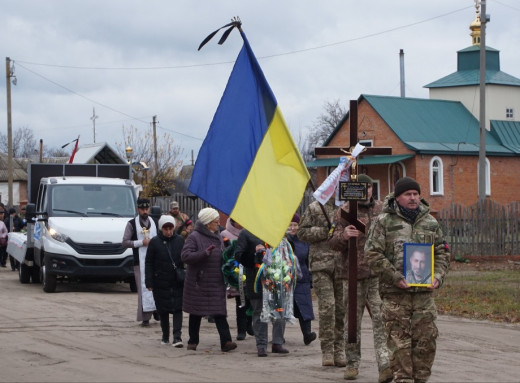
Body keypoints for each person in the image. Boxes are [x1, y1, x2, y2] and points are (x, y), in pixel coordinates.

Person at [365, 176, 450, 383]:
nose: (413, 198)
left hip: (423, 297)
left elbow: (442, 252)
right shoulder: (384, 222)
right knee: (399, 348)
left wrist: (438, 277)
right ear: (398, 197)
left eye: (415, 194)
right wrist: (395, 277)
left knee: (426, 344)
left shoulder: (430, 222)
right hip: (396, 296)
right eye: (407, 194)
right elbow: (372, 253)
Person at [328, 174, 392, 382]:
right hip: (352, 275)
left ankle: (384, 364)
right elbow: (332, 242)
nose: (367, 192)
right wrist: (343, 236)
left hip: (376, 275)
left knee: (381, 319)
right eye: (362, 188)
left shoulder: (382, 210)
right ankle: (352, 363)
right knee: (352, 322)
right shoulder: (345, 211)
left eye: (370, 188)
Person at [297, 197, 346, 367]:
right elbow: (302, 232)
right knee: (328, 307)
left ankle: (339, 349)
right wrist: (325, 230)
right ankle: (327, 350)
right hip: (321, 264)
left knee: (341, 310)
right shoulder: (315, 208)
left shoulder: (348, 208)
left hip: (343, 265)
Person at [181, 207, 237, 352]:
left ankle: (226, 342)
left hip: (216, 281)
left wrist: (228, 256)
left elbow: (222, 256)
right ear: (207, 223)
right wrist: (203, 254)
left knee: (219, 312)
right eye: (215, 221)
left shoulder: (219, 236)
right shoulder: (194, 237)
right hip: (198, 282)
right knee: (196, 312)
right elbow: (185, 256)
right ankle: (193, 341)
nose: (218, 223)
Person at [235, 228, 290, 357]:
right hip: (256, 279)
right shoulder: (246, 233)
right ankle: (261, 345)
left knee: (280, 311)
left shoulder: (277, 229)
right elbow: (238, 255)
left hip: (277, 277)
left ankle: (277, 342)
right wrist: (255, 254)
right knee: (259, 312)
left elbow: (288, 250)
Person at [145, 215, 185, 347]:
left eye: (171, 228)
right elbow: (149, 263)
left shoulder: (180, 240)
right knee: (163, 310)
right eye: (165, 228)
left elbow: (185, 259)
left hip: (177, 280)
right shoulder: (155, 242)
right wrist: (149, 281)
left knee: (178, 308)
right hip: (160, 281)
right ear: (161, 229)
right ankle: (165, 335)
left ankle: (177, 337)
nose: (168, 231)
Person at [122, 198, 158, 327]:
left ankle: (157, 311)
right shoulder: (131, 224)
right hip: (140, 262)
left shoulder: (154, 222)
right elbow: (125, 242)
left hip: (155, 260)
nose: (145, 211)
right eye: (142, 209)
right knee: (143, 289)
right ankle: (145, 317)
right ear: (138, 209)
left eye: (146, 209)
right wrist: (141, 243)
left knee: (156, 287)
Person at [220, 217, 254, 341]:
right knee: (240, 302)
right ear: (234, 222)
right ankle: (241, 330)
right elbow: (223, 251)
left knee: (251, 299)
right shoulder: (224, 234)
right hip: (235, 272)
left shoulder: (249, 232)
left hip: (248, 269)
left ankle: (249, 325)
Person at [286, 213, 316, 346]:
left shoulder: (304, 241)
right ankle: (278, 337)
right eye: (290, 225)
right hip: (284, 278)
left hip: (302, 278)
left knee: (305, 307)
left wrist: (310, 279)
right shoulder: (282, 241)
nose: (293, 228)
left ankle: (307, 334)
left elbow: (309, 259)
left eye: (295, 225)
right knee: (284, 307)